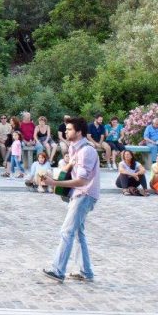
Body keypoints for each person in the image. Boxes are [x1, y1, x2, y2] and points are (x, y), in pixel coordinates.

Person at [43, 116, 100, 283]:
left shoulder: (86, 151)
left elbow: (82, 181)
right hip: (79, 194)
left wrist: (55, 183)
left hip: (84, 194)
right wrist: (52, 175)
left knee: (67, 231)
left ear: (79, 132)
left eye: (69, 129)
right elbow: (68, 170)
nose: (65, 131)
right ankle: (86, 272)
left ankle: (58, 270)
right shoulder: (75, 149)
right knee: (78, 233)